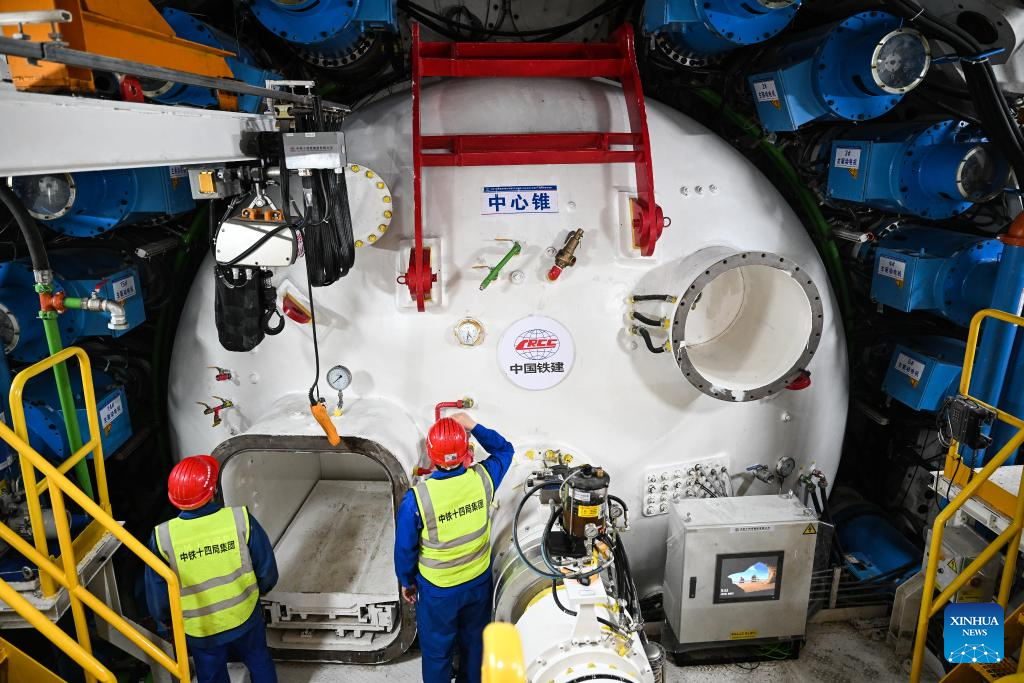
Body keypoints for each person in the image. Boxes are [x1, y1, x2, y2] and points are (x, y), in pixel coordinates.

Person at [394, 412, 515, 683]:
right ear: (466, 451)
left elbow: (405, 550)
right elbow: (505, 450)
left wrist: (407, 582)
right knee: (474, 646)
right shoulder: (483, 479)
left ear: (431, 455)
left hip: (438, 591)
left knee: (438, 652)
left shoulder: (417, 499)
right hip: (478, 584)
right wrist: (473, 424)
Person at [145, 455, 279, 683]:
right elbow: (266, 568)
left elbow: (158, 592)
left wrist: (165, 621)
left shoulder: (163, 536)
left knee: (211, 676)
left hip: (200, 629)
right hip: (244, 616)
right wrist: (263, 589)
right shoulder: (239, 519)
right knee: (259, 661)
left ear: (174, 499)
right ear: (213, 490)